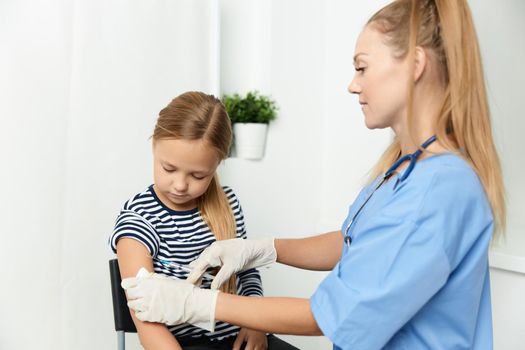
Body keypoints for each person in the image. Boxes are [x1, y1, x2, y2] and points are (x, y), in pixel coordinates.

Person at [121, 0, 506, 349]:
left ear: (415, 65)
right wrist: (268, 248)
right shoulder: (403, 170)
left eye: (362, 67)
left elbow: (329, 315)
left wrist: (201, 303)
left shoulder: (437, 191)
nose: (353, 84)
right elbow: (357, 244)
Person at [109, 91, 298, 350]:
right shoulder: (139, 218)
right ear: (154, 145)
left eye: (198, 175)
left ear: (217, 164)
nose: (180, 185)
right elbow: (146, 319)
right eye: (168, 168)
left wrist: (256, 325)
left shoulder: (229, 204)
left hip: (238, 336)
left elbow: (247, 270)